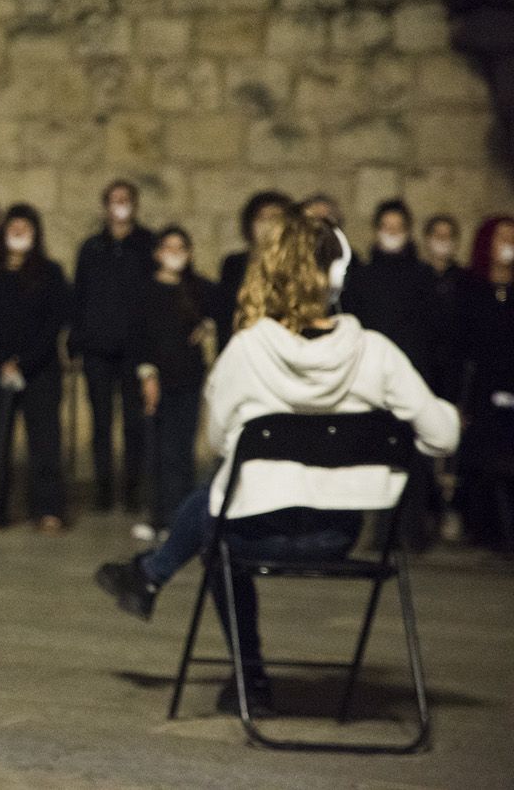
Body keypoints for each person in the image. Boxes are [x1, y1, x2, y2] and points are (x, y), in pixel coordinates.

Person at [95, 214, 459, 717]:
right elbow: (442, 438)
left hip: (255, 536)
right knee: (217, 509)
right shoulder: (378, 355)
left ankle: (249, 675)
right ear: (338, 276)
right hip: (337, 537)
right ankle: (150, 577)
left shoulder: (246, 353)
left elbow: (221, 442)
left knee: (218, 519)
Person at [0, 203, 71, 531]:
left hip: (39, 370)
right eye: (13, 229)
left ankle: (47, 508)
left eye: (24, 230)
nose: (18, 235)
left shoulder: (51, 273)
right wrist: (1, 361)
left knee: (45, 441)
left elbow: (54, 323)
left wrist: (25, 363)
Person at [70, 180, 156, 513]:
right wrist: (77, 338)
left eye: (126, 199)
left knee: (134, 424)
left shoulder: (147, 245)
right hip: (97, 349)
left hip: (134, 348)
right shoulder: (91, 248)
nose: (120, 205)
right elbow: (80, 295)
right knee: (101, 423)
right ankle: (104, 489)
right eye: (114, 200)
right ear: (105, 206)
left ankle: (132, 489)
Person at [132, 226, 218, 537]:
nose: (175, 253)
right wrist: (146, 374)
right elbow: (139, 336)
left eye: (181, 247)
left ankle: (180, 518)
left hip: (189, 377)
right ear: (157, 253)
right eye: (168, 247)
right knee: (158, 448)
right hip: (157, 379)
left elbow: (222, 308)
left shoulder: (198, 289)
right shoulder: (145, 290)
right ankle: (156, 514)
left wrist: (207, 325)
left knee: (182, 449)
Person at [453, 215, 514, 548]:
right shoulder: (471, 288)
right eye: (502, 238)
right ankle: (481, 527)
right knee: (482, 460)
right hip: (482, 386)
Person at [343, 199, 434, 370]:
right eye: (387, 226)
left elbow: (432, 330)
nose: (392, 232)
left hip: (412, 365)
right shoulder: (361, 276)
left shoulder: (423, 276)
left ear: (407, 231)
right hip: (371, 364)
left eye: (398, 227)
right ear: (377, 230)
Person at [214, 190, 292, 350]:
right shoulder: (234, 264)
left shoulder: (295, 265)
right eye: (262, 218)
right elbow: (225, 312)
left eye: (275, 218)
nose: (268, 224)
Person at [420, 214, 469, 402]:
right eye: (437, 234)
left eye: (447, 235)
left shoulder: (466, 281)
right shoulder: (415, 278)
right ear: (427, 239)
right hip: (422, 369)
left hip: (454, 371)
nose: (442, 240)